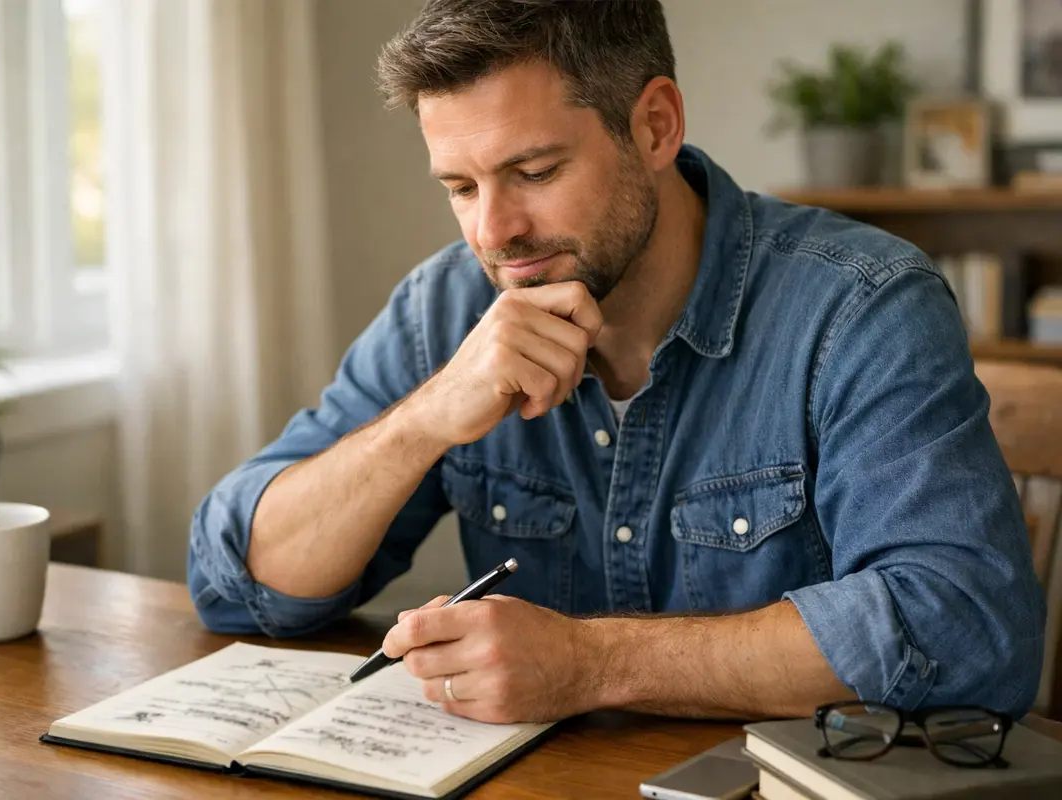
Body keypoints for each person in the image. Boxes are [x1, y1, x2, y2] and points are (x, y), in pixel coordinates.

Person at [187, 0, 1045, 725]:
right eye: (459, 186)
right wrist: (426, 417)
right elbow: (234, 580)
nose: (492, 233)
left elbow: (965, 628)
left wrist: (589, 663)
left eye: (533, 170)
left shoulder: (860, 307)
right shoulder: (444, 309)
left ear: (656, 126)